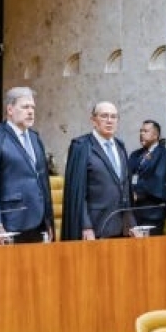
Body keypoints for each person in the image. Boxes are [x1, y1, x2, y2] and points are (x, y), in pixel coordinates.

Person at [0, 86, 55, 245]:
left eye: (32, 107)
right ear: (10, 110)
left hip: (38, 221)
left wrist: (48, 220)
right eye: (25, 107)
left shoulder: (35, 138)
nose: (30, 112)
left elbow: (42, 181)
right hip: (10, 222)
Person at [62, 102, 132, 240]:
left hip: (122, 228)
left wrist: (131, 223)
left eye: (113, 117)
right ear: (93, 120)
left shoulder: (120, 146)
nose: (109, 120)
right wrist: (85, 226)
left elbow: (125, 188)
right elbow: (77, 192)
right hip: (95, 228)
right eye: (104, 116)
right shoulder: (81, 146)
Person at [128, 119, 166, 235]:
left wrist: (138, 194)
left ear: (156, 135)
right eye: (141, 131)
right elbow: (127, 176)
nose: (141, 134)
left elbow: (160, 181)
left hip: (152, 212)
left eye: (146, 131)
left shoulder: (165, 155)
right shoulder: (135, 155)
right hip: (133, 213)